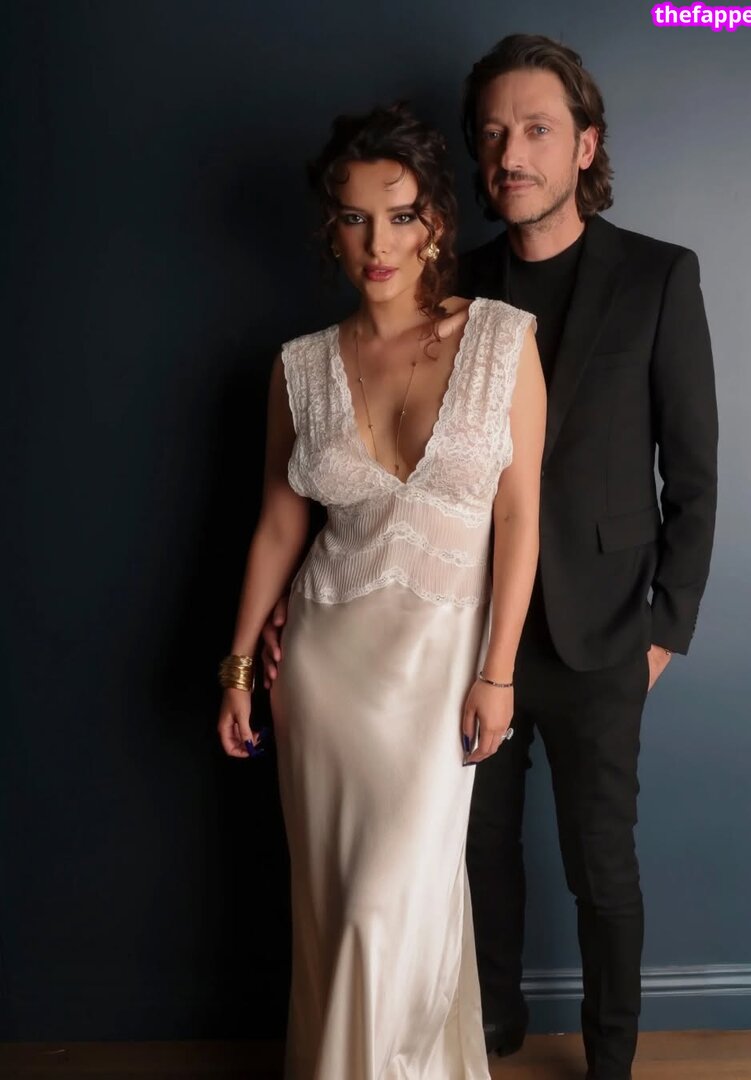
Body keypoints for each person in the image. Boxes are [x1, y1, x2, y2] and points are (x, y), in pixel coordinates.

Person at [217, 102, 545, 1080]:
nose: (378, 243)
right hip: (325, 673)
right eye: (355, 218)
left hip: (443, 673)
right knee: (341, 912)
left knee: (393, 908)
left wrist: (498, 674)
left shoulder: (502, 341)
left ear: (436, 219)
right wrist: (237, 668)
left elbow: (520, 517)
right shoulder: (301, 367)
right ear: (332, 228)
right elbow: (280, 527)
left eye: (400, 216)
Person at [456, 35, 719, 1080]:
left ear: (584, 145)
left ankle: (611, 1060)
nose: (510, 154)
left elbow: (693, 473)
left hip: (606, 631)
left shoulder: (659, 276)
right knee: (475, 852)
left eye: (535, 130)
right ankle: (493, 1026)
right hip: (474, 625)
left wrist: (663, 633)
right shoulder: (456, 284)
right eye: (492, 135)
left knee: (601, 868)